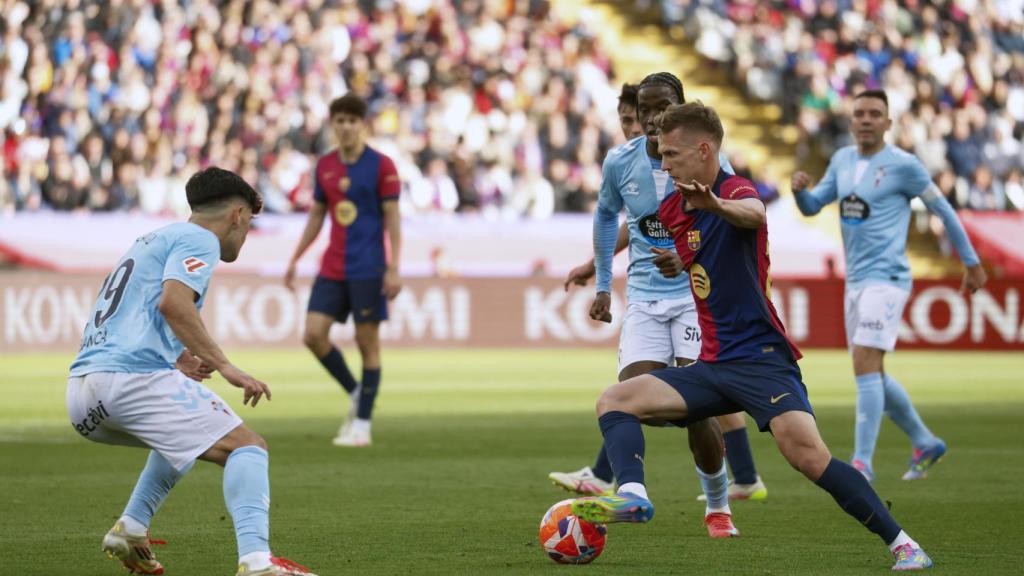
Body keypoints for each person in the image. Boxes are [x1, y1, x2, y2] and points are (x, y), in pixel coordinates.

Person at [570, 102, 933, 571]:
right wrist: (669, 261)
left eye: (672, 154)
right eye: (659, 154)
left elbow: (754, 214)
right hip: (712, 363)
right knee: (614, 400)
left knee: (808, 457)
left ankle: (904, 544)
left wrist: (717, 205)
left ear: (704, 150)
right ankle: (633, 495)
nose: (663, 163)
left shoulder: (733, 187)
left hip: (762, 360)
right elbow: (689, 247)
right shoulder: (673, 205)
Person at [66, 167, 317, 576]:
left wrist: (177, 357)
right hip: (129, 379)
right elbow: (174, 303)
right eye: (249, 224)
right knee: (247, 447)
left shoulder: (150, 239)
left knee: (185, 436)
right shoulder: (200, 239)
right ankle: (257, 562)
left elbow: (133, 310)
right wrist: (226, 366)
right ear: (236, 215)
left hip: (83, 392)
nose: (247, 235)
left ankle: (130, 527)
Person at [551, 73, 748, 540]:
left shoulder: (703, 161)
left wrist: (688, 257)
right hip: (643, 299)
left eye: (662, 107)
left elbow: (731, 223)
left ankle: (718, 508)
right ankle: (634, 494)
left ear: (680, 107)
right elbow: (606, 217)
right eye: (645, 110)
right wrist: (602, 284)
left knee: (698, 410)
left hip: (695, 301)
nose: (652, 117)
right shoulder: (620, 161)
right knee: (630, 397)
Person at [791, 90, 986, 482]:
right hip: (856, 280)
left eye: (874, 114)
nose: (865, 119)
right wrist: (799, 191)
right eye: (859, 113)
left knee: (865, 363)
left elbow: (943, 210)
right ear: (851, 120)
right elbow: (814, 207)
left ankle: (862, 463)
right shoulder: (842, 160)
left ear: (888, 123)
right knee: (871, 371)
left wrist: (971, 262)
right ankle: (925, 440)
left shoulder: (904, 165)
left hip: (889, 278)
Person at [285, 93, 403, 447]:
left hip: (368, 267)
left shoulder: (382, 166)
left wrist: (394, 267)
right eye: (340, 120)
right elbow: (317, 216)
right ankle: (356, 394)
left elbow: (393, 219)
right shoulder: (324, 166)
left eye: (353, 120)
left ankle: (363, 425)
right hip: (333, 265)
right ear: (332, 124)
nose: (347, 126)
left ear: (362, 124)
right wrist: (295, 258)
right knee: (312, 334)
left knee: (367, 344)